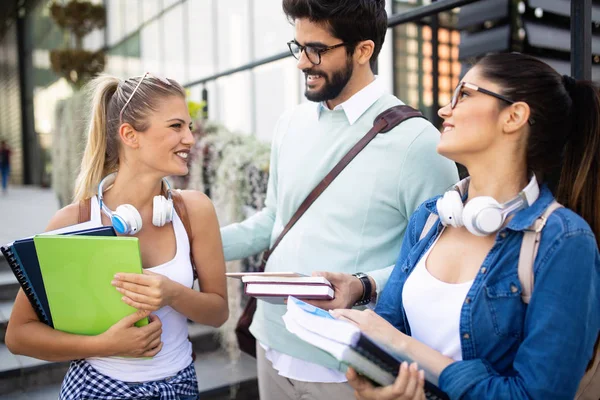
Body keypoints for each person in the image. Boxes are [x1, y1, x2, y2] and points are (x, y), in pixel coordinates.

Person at [220, 0, 458, 398]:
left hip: (346, 366)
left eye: (316, 49)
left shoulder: (419, 143)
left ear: (363, 50)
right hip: (269, 341)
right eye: (299, 47)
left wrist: (364, 285)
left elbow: (437, 262)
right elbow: (271, 221)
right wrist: (187, 243)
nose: (302, 63)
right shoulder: (289, 124)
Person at [332, 52, 600, 400]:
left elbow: (534, 395)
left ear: (514, 116)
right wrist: (378, 386)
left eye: (465, 94)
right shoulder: (430, 219)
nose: (445, 110)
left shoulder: (563, 240)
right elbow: (388, 332)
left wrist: (403, 346)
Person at [5, 73, 229, 400]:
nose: (190, 139)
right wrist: (106, 345)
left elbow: (218, 312)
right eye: (176, 126)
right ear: (130, 134)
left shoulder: (194, 210)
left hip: (181, 386)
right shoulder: (74, 221)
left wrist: (171, 294)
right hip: (98, 389)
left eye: (189, 127)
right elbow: (18, 335)